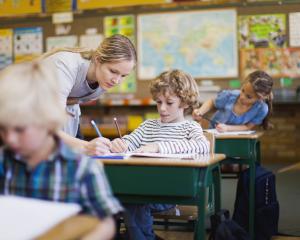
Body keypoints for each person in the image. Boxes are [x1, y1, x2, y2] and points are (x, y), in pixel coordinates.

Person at [0, 61, 123, 240]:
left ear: (49, 121)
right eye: (3, 128)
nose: (9, 138)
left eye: (19, 129)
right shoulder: (4, 162)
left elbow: (106, 223)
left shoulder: (83, 169)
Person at [111, 69, 210, 240]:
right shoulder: (148, 126)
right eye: (158, 102)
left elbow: (203, 146)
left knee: (135, 204)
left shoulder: (190, 127)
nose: (162, 108)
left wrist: (158, 146)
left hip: (170, 191)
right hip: (140, 187)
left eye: (169, 103)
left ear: (185, 103)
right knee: (111, 200)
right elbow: (130, 141)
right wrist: (120, 143)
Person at [40, 34, 137, 156]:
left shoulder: (103, 81)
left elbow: (71, 102)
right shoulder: (65, 66)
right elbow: (49, 129)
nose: (116, 81)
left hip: (63, 117)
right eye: (113, 71)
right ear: (97, 59)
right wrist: (86, 146)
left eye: (123, 75)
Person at [193, 70, 273, 132]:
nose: (242, 97)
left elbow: (247, 127)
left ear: (260, 98)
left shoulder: (262, 109)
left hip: (236, 139)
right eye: (242, 90)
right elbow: (211, 102)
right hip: (214, 135)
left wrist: (227, 128)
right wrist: (200, 111)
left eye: (248, 97)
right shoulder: (230, 96)